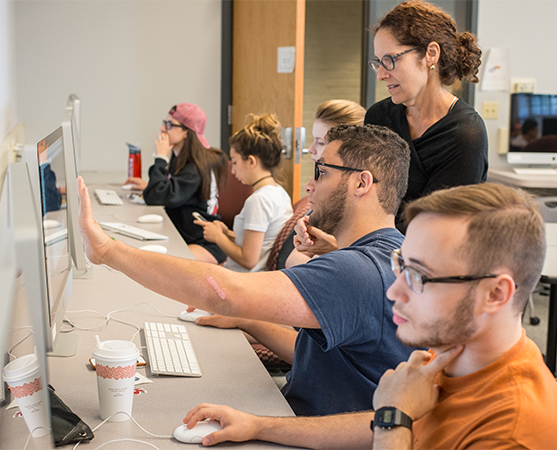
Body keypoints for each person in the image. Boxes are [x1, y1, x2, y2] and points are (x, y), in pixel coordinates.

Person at [179, 183, 557, 449]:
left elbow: (393, 420)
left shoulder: (514, 430)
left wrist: (393, 416)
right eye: (400, 266)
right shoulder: (453, 353)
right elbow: (379, 423)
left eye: (419, 276)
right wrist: (259, 426)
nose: (394, 292)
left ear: (495, 294)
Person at [77, 124, 413, 416]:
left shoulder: (357, 270)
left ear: (361, 183)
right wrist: (248, 320)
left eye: (321, 172)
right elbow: (323, 360)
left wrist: (108, 251)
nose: (310, 186)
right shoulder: (393, 255)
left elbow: (223, 293)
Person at [364, 0, 488, 232]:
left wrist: (359, 242)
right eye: (379, 63)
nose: (381, 75)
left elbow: (436, 223)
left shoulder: (465, 134)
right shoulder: (379, 116)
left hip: (428, 257)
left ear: (431, 54)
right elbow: (364, 195)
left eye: (390, 60)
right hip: (372, 246)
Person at [124, 102, 228, 264]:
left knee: (158, 265)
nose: (163, 129)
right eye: (164, 123)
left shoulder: (194, 168)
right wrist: (150, 187)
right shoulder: (181, 159)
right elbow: (168, 191)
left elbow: (156, 198)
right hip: (185, 234)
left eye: (170, 125)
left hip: (203, 243)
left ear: (187, 132)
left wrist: (160, 158)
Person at [194, 113, 293, 272]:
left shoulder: (260, 200)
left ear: (251, 161)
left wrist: (218, 238)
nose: (232, 170)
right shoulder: (279, 192)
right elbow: (260, 243)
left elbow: (249, 260)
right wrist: (227, 234)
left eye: (235, 162)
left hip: (243, 280)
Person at [281, 99, 366, 269]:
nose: (311, 149)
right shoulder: (323, 201)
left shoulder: (358, 208)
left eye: (320, 142)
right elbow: (292, 261)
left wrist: (329, 251)